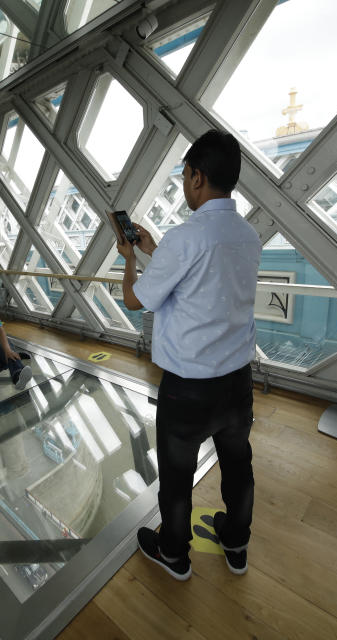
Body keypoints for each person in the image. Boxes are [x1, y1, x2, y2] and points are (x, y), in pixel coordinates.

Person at [119, 129, 262, 580]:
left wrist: (128, 256)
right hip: (237, 379)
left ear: (198, 177)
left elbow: (136, 300)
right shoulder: (247, 235)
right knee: (238, 464)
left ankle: (174, 553)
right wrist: (153, 250)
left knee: (178, 476)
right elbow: (205, 280)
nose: (184, 184)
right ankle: (236, 542)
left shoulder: (186, 237)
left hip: (189, 387)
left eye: (184, 175)